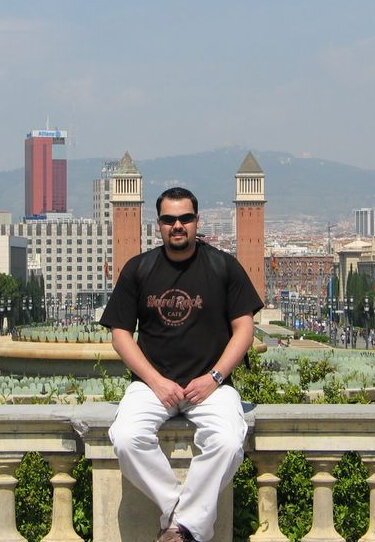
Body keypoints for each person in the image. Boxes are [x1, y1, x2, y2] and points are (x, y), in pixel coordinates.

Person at [101, 187, 263, 542]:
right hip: (151, 386)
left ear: (197, 221)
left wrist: (214, 377)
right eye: (169, 219)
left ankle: (179, 526)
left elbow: (244, 329)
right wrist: (155, 381)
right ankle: (184, 519)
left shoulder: (223, 266)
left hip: (211, 387)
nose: (178, 225)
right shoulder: (139, 268)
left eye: (185, 218)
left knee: (228, 442)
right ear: (158, 223)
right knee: (125, 438)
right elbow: (120, 334)